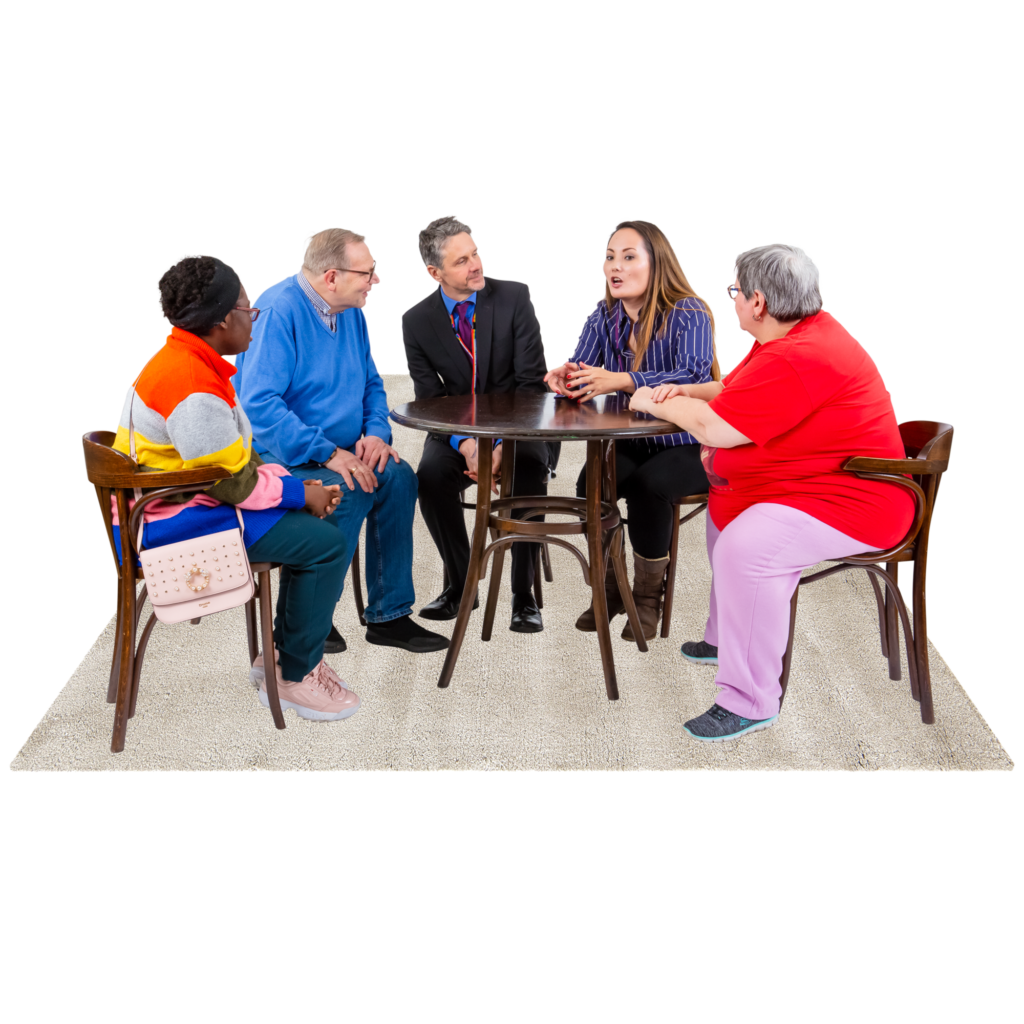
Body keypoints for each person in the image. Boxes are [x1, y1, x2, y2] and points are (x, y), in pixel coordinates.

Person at [629, 241, 916, 741]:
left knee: (748, 548)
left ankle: (750, 701)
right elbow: (729, 391)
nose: (733, 300)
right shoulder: (789, 336)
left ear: (757, 302)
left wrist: (652, 403)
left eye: (734, 291)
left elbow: (716, 429)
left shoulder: (801, 354)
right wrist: (681, 392)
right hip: (820, 487)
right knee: (724, 521)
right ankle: (725, 640)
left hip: (859, 504)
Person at [112, 253, 360, 722]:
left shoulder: (187, 360)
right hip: (176, 525)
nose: (254, 316)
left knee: (308, 522)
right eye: (249, 306)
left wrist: (292, 484)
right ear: (224, 319)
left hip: (181, 504)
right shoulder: (192, 386)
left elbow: (233, 459)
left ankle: (282, 659)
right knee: (327, 544)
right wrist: (301, 494)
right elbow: (232, 484)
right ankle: (294, 677)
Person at [234, 227, 449, 654]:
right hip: (283, 456)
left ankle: (388, 616)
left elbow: (372, 382)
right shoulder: (277, 312)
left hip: (345, 448)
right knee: (346, 488)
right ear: (331, 276)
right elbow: (258, 405)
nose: (376, 280)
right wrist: (330, 454)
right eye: (367, 272)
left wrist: (376, 434)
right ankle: (306, 619)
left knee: (399, 477)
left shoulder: (352, 311)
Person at [544, 218, 717, 642]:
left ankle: (645, 599)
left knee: (649, 487)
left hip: (688, 440)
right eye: (609, 257)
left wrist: (623, 380)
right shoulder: (604, 314)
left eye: (628, 257)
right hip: (630, 439)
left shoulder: (690, 311)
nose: (614, 267)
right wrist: (565, 377)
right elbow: (585, 370)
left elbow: (692, 374)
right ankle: (611, 589)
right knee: (592, 485)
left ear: (656, 264)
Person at [402, 213, 560, 633]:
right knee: (430, 476)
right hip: (459, 434)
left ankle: (522, 595)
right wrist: (468, 445)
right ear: (435, 272)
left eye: (475, 253)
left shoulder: (514, 297)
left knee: (526, 467)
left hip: (520, 427)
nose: (475, 265)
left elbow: (531, 384)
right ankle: (462, 582)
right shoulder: (415, 321)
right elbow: (430, 401)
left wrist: (501, 444)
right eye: (461, 261)